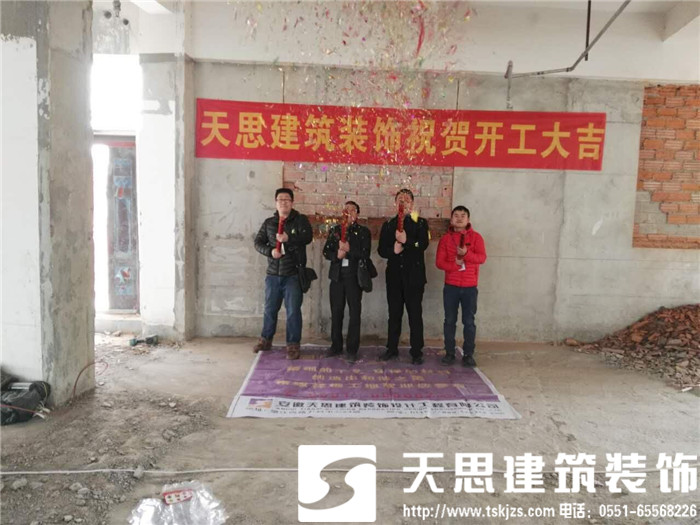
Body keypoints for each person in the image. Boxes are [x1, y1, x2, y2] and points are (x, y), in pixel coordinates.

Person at [253, 188, 313, 360]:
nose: (283, 202)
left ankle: (293, 345)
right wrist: (270, 251)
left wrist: (289, 239)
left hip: (293, 274)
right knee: (270, 309)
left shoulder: (300, 220)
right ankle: (265, 340)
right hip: (273, 274)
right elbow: (258, 243)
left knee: (293, 311)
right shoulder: (269, 223)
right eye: (280, 199)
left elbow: (307, 237)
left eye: (287, 199)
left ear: (292, 202)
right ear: (276, 203)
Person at [377, 189, 430, 365]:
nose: (403, 203)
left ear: (412, 204)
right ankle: (391, 348)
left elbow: (422, 244)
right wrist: (393, 250)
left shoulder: (420, 223)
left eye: (407, 200)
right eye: (400, 200)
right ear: (395, 203)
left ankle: (416, 352)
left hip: (414, 277)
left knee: (415, 314)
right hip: (394, 277)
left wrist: (408, 241)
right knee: (394, 314)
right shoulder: (388, 225)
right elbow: (381, 250)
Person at [435, 206, 487, 367]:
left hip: (470, 287)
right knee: (449, 320)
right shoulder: (445, 239)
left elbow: (482, 258)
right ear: (451, 220)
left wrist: (467, 254)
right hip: (451, 286)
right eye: (456, 215)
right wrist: (455, 264)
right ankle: (449, 352)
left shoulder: (476, 238)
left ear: (468, 219)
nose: (459, 218)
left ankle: (468, 354)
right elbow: (439, 263)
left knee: (469, 321)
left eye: (463, 216)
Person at [322, 201, 371, 363]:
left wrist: (350, 250)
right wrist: (336, 255)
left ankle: (352, 349)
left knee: (354, 313)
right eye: (346, 210)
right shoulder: (335, 230)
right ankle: (336, 345)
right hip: (337, 276)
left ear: (357, 214)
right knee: (336, 312)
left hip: (354, 277)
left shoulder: (363, 232)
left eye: (353, 210)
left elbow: (365, 254)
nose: (349, 213)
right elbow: (326, 251)